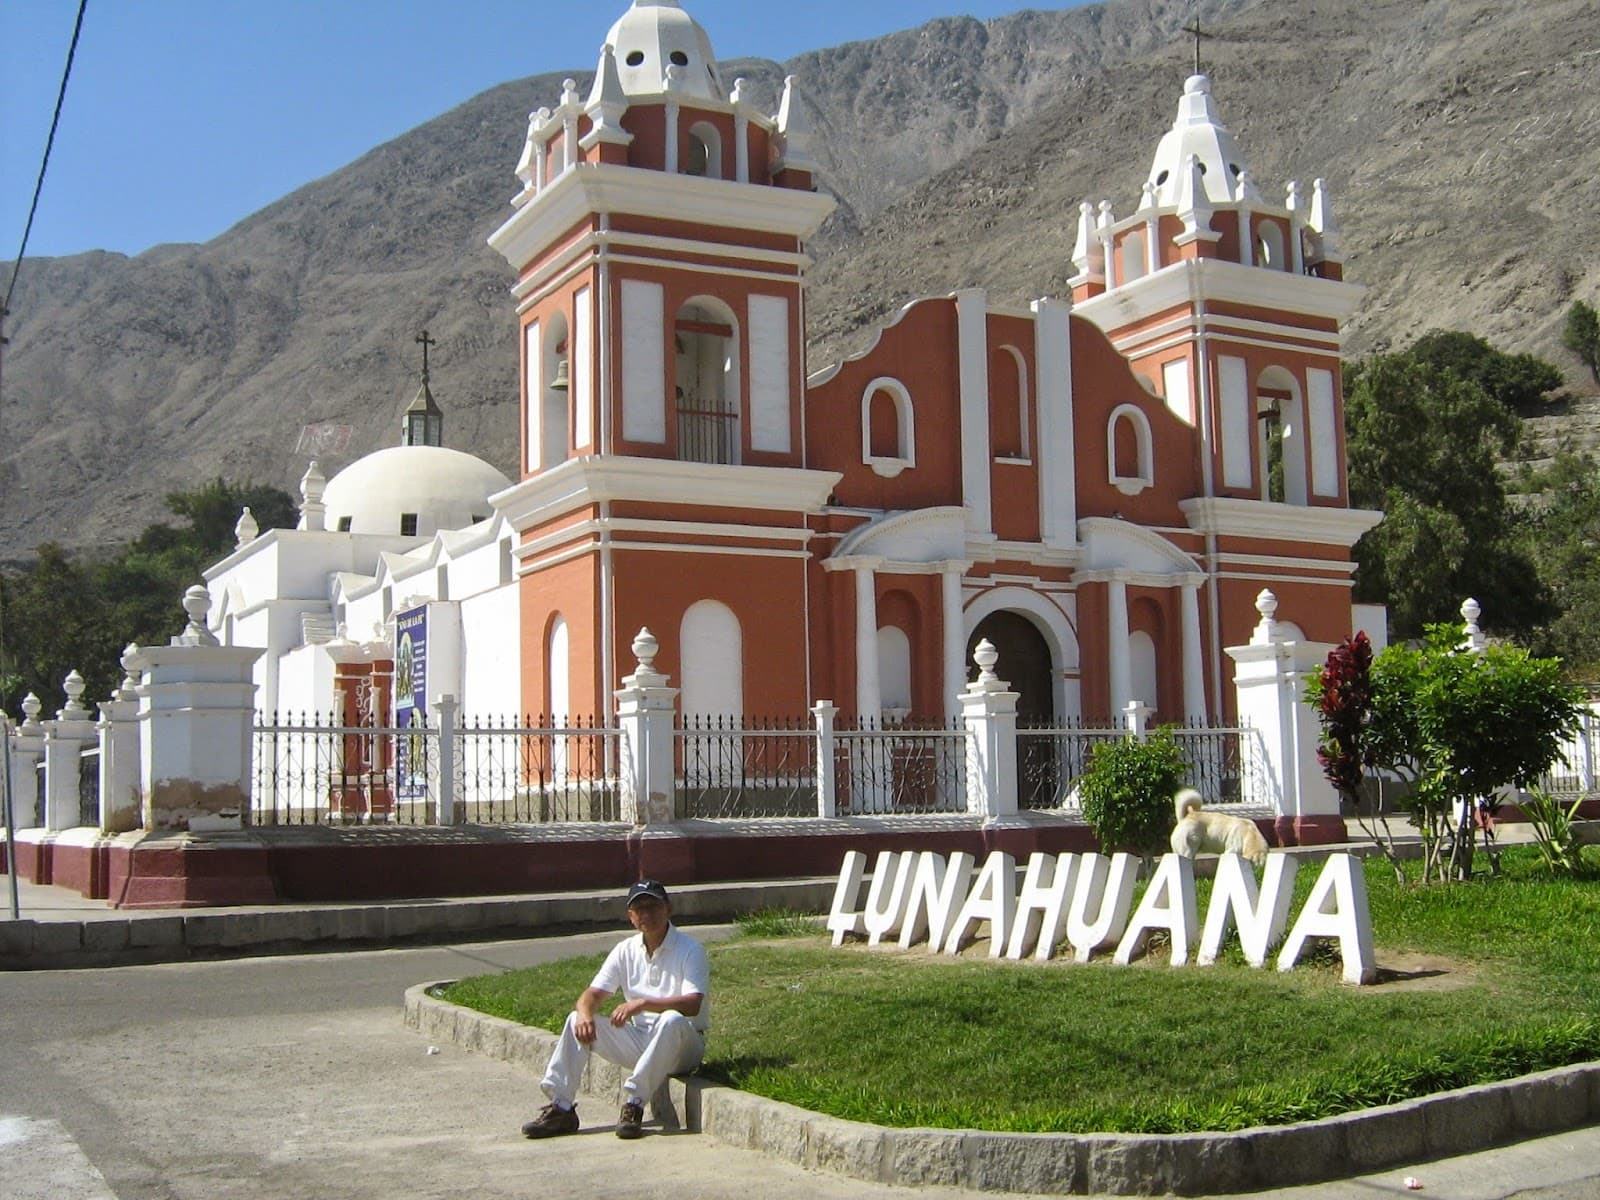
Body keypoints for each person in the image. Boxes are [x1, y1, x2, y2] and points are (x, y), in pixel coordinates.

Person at [521, 879, 710, 1141]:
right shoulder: (625, 950)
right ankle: (561, 1108)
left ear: (668, 908)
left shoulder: (690, 949)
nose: (647, 914)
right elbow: (592, 994)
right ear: (631, 917)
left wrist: (643, 1004)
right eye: (639, 909)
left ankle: (634, 1104)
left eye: (653, 906)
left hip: (684, 1045)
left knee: (670, 1019)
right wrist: (586, 1014)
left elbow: (693, 1004)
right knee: (577, 1018)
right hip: (642, 1041)